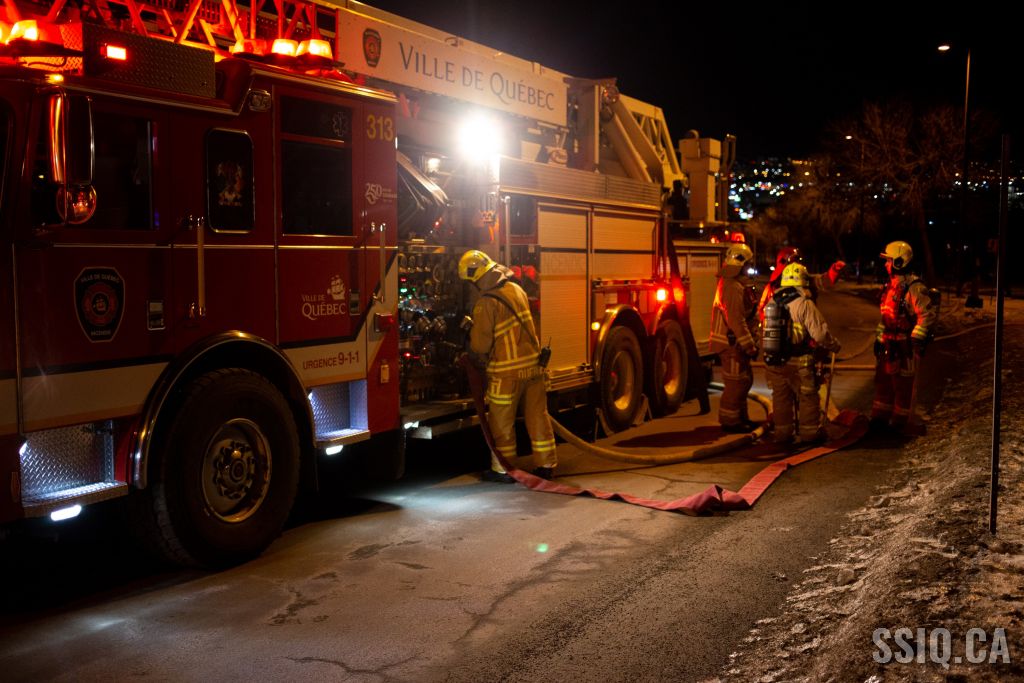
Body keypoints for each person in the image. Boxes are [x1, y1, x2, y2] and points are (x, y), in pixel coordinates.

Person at [459, 249, 557, 482]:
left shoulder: (485, 303)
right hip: (534, 368)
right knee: (538, 418)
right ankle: (546, 465)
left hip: (506, 374)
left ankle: (503, 470)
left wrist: (469, 332)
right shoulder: (516, 289)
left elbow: (481, 345)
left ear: (475, 278)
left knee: (501, 424)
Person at [763, 262, 842, 445]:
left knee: (781, 398)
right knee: (808, 397)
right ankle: (809, 434)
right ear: (803, 282)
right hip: (799, 363)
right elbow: (820, 335)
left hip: (775, 362)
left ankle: (783, 434)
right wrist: (834, 346)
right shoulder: (804, 303)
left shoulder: (773, 301)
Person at [871, 241, 938, 434]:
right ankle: (880, 419)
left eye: (889, 261)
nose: (886, 264)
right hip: (888, 344)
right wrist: (879, 338)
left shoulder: (914, 288)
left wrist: (917, 338)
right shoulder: (890, 286)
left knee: (903, 385)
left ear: (899, 262)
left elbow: (926, 315)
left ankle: (899, 423)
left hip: (904, 347)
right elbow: (886, 317)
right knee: (883, 382)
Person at [709, 243, 760, 433]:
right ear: (741, 263)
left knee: (743, 381)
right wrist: (750, 346)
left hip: (735, 344)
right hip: (731, 345)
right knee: (736, 384)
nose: (750, 267)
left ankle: (740, 419)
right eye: (748, 263)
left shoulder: (736, 284)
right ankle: (730, 422)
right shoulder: (732, 287)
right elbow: (736, 320)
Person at [756, 246, 846, 324]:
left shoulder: (806, 280)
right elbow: (762, 310)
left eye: (797, 260)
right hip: (783, 334)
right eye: (793, 260)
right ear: (784, 262)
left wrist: (834, 271)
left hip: (804, 331)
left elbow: (823, 281)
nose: (797, 264)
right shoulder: (772, 286)